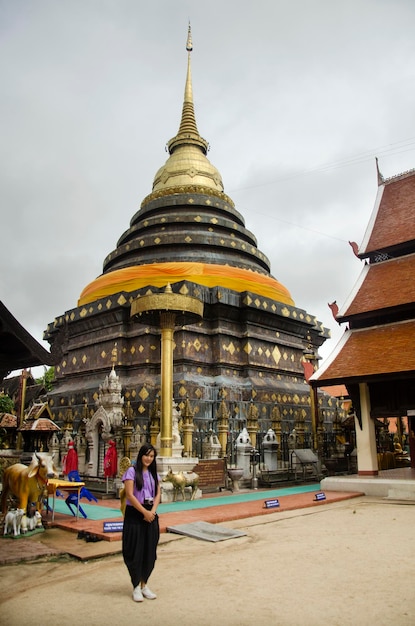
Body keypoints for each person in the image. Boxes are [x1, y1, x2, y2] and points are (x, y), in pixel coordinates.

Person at [122, 443, 161, 602]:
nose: (148, 459)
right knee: (135, 550)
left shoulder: (153, 474)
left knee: (149, 552)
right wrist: (143, 512)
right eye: (146, 455)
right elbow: (130, 495)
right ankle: (136, 586)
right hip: (135, 514)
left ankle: (144, 584)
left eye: (151, 456)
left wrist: (151, 511)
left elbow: (158, 494)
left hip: (150, 514)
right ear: (140, 455)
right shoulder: (132, 472)